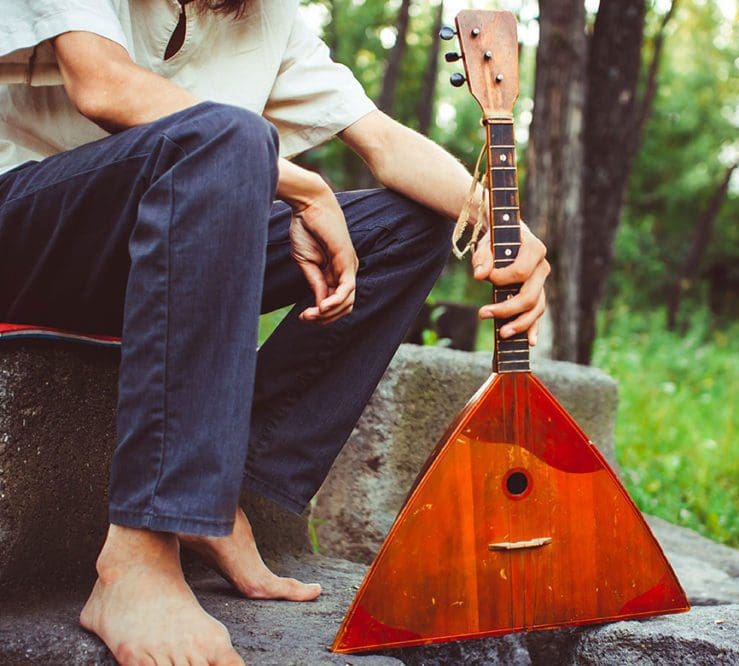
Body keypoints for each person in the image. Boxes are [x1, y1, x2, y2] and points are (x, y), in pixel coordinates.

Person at [0, 1, 550, 663]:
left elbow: (383, 141)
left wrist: (506, 226)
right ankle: (139, 558)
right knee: (231, 137)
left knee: (411, 225)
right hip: (29, 237)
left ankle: (222, 490)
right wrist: (297, 185)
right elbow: (103, 84)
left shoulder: (266, 18)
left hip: (173, 237)